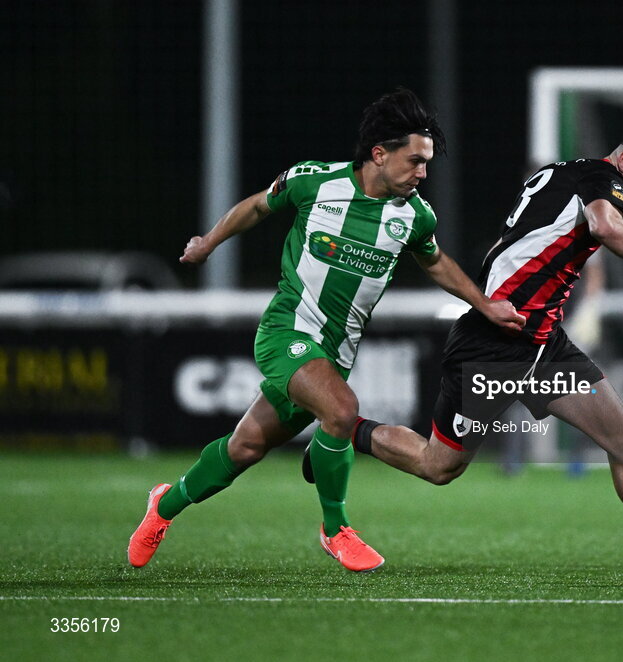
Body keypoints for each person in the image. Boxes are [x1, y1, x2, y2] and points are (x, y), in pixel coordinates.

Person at [312, 117, 623, 582]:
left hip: (543, 345)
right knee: (439, 465)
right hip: (494, 345)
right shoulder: (601, 180)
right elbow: (605, 226)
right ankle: (344, 432)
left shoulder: (567, 175)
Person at [127, 88, 524, 572]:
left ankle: (163, 506)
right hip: (286, 331)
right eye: (415, 161)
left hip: (335, 354)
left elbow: (436, 262)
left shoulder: (414, 215)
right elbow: (257, 206)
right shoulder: (315, 182)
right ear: (379, 154)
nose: (423, 173)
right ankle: (335, 528)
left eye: (428, 163)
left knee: (245, 447)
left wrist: (485, 304)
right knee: (342, 409)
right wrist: (208, 243)